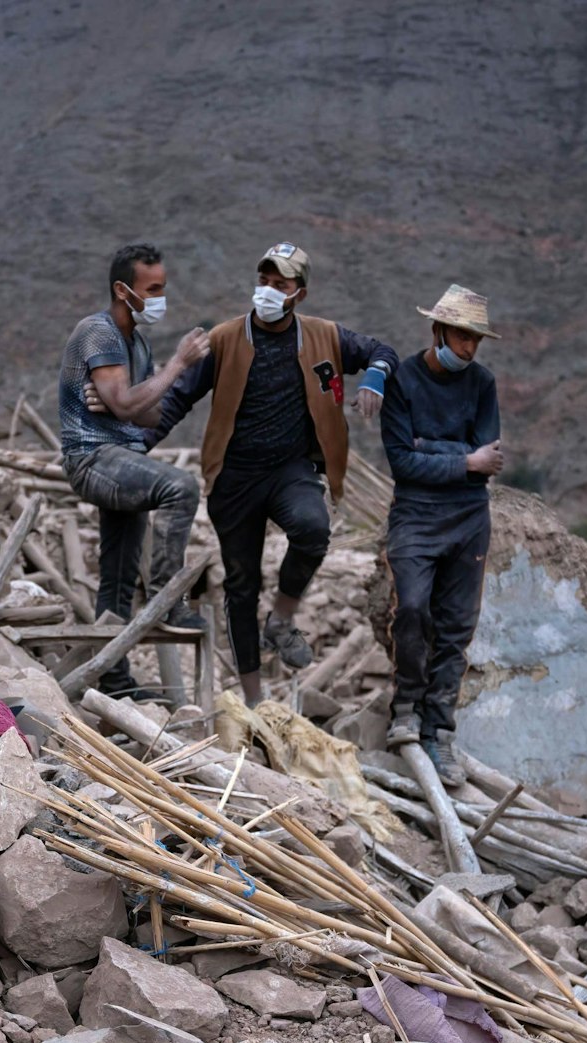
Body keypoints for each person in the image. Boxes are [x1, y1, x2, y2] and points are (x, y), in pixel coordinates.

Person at [139, 242, 397, 706]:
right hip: (235, 476)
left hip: (291, 469)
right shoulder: (225, 339)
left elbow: (381, 350)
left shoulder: (324, 336)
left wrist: (375, 374)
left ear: (300, 293)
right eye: (264, 281)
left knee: (313, 528)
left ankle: (282, 618)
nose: (269, 291)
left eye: (281, 284)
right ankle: (253, 698)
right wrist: (137, 445)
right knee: (241, 585)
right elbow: (179, 398)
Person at [57, 242, 212, 699]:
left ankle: (116, 682)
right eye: (154, 289)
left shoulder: (137, 344)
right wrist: (177, 366)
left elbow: (148, 415)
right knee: (181, 487)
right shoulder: (99, 333)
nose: (161, 297)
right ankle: (168, 598)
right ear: (123, 290)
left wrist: (124, 402)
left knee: (118, 578)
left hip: (123, 459)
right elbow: (130, 403)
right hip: (93, 458)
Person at [380, 284, 504, 784]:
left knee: (456, 626)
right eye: (461, 335)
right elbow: (401, 463)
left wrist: (433, 450)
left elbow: (488, 460)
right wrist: (461, 458)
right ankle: (405, 706)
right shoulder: (402, 380)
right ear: (437, 329)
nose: (469, 348)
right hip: (415, 514)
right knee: (412, 608)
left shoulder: (483, 383)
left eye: (476, 339)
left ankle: (440, 731)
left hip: (469, 517)